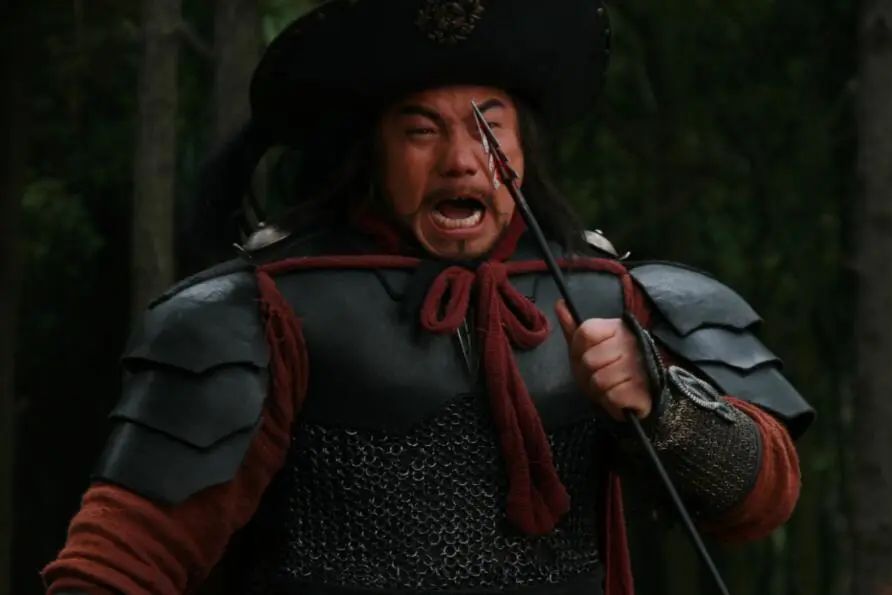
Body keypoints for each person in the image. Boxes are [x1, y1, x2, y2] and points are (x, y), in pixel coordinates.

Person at [42, 1, 814, 593]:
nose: (461, 161)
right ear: (372, 154)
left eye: (488, 127)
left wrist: (664, 402)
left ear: (522, 149)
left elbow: (763, 499)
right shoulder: (267, 311)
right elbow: (120, 560)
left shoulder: (611, 295)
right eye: (421, 131)